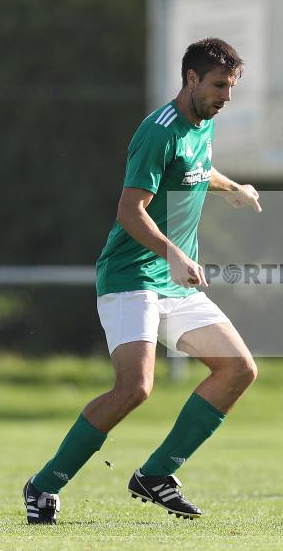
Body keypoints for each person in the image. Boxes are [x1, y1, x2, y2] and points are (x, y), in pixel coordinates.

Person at [24, 38, 262, 524]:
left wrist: (232, 188)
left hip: (174, 281)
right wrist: (174, 253)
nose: (226, 97)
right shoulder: (158, 132)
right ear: (191, 79)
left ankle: (156, 475)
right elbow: (130, 211)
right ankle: (44, 485)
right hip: (132, 276)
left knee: (238, 369)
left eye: (232, 88)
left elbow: (196, 169)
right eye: (219, 86)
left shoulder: (202, 123)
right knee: (135, 387)